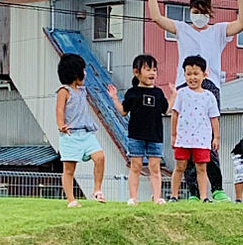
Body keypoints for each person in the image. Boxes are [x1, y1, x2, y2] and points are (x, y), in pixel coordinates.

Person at [137, 0, 243, 202]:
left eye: (203, 12)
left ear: (209, 13)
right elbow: (157, 18)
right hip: (184, 88)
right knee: (187, 141)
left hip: (209, 86)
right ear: (190, 11)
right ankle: (191, 193)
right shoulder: (183, 28)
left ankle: (216, 188)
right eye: (195, 11)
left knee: (208, 140)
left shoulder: (219, 31)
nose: (198, 16)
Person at [107, 54, 176, 206]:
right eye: (148, 69)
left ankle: (157, 197)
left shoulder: (158, 93)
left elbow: (166, 110)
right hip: (136, 135)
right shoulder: (132, 92)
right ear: (136, 72)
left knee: (155, 167)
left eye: (154, 70)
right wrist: (114, 98)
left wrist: (173, 95)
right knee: (136, 166)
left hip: (155, 136)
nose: (152, 73)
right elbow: (124, 111)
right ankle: (133, 197)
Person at [55, 53, 106, 208]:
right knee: (69, 169)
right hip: (70, 135)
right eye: (82, 70)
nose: (85, 73)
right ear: (74, 72)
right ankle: (71, 200)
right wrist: (61, 125)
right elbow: (59, 110)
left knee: (100, 157)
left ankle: (97, 190)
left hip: (86, 133)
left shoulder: (82, 90)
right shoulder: (64, 91)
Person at [169, 56, 220, 203]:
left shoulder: (209, 96)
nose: (192, 77)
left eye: (196, 73)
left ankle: (204, 197)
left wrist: (216, 137)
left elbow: (214, 118)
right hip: (183, 138)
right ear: (184, 74)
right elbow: (175, 114)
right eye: (189, 74)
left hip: (202, 139)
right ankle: (174, 195)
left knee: (201, 168)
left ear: (205, 74)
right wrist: (173, 135)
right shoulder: (182, 94)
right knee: (180, 166)